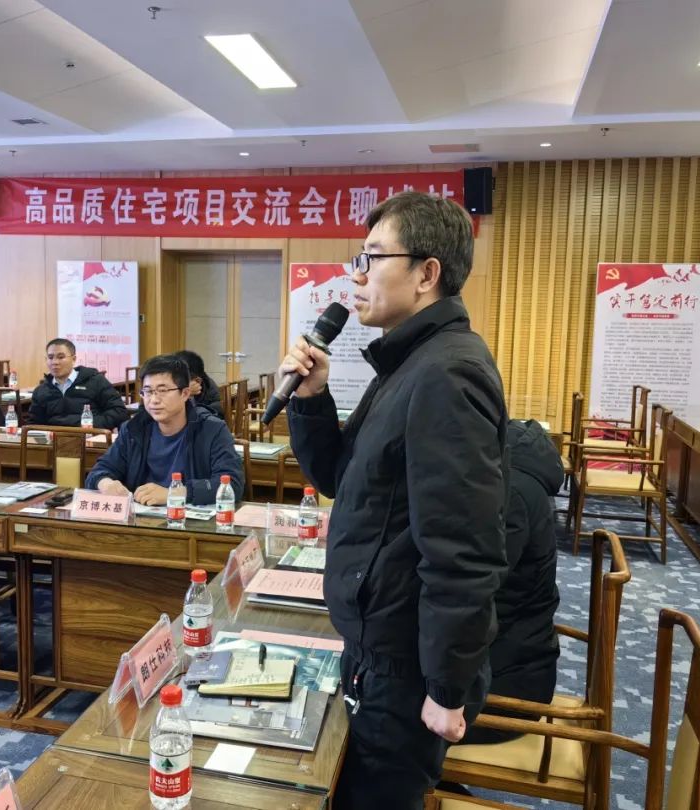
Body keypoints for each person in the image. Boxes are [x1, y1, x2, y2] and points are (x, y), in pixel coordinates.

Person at [278, 191, 509, 809]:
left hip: (405, 669)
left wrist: (447, 687)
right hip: (376, 648)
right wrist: (311, 397)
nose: (357, 274)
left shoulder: (445, 373)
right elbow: (339, 477)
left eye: (373, 257)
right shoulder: (406, 364)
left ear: (427, 273)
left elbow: (463, 547)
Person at [458, 419, 565, 746]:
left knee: (382, 721)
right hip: (511, 659)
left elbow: (474, 590)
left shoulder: (511, 492)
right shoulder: (513, 471)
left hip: (507, 687)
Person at [85, 354, 243, 506]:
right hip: (141, 519)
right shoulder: (133, 428)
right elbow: (99, 471)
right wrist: (105, 483)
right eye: (148, 391)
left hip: (188, 520)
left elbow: (232, 484)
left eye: (162, 391)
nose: (154, 400)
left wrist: (175, 493)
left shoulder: (212, 429)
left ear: (185, 393)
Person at [29, 338, 130, 429]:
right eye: (50, 357)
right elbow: (34, 424)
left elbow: (119, 412)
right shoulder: (41, 390)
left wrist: (89, 425)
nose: (55, 362)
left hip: (90, 436)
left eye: (61, 357)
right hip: (55, 440)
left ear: (73, 359)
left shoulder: (95, 381)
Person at [173, 350, 224, 420]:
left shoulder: (209, 388)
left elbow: (214, 418)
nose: (174, 383)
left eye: (179, 379)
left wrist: (186, 395)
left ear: (197, 381)